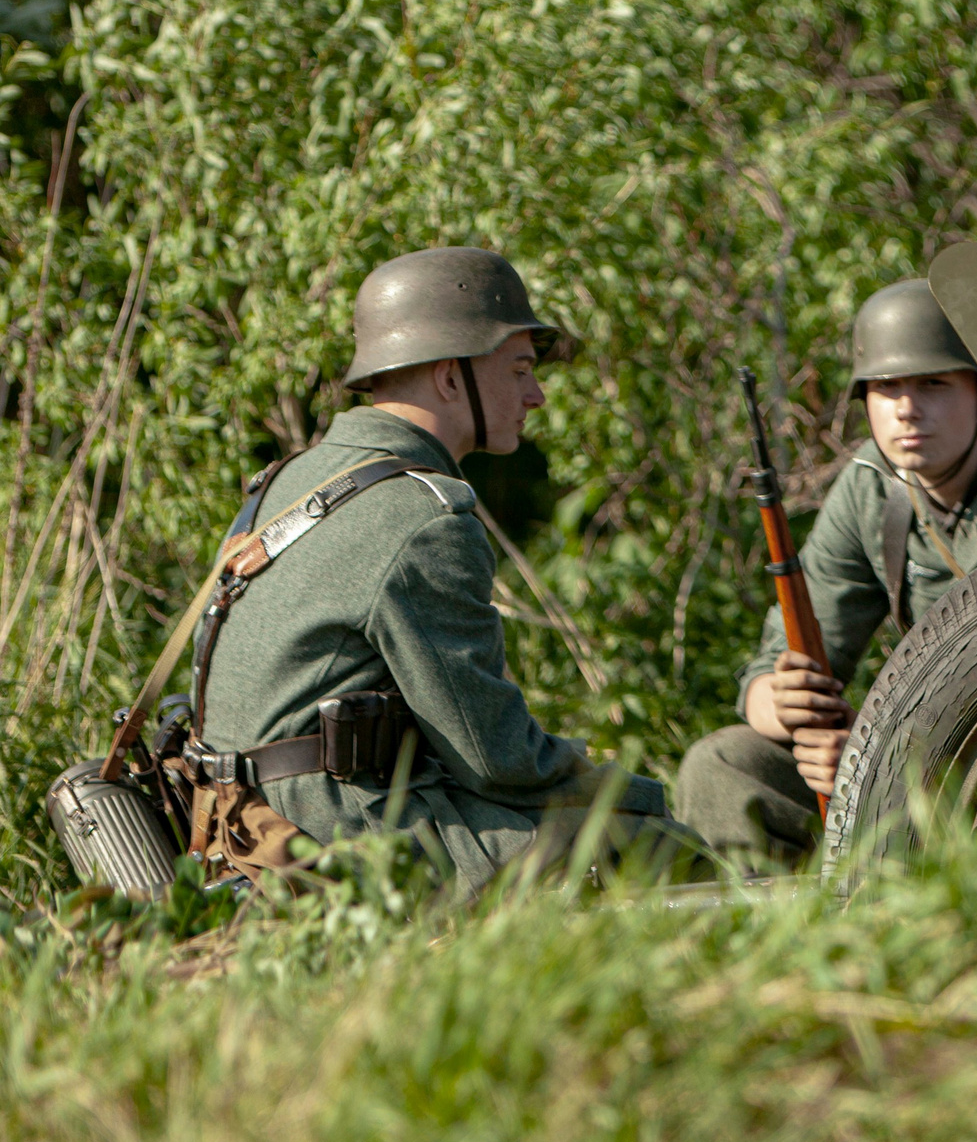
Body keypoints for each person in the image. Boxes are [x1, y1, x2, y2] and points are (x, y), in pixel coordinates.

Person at [191, 247, 699, 891]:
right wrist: (604, 774)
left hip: (238, 825)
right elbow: (493, 758)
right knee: (655, 840)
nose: (536, 394)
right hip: (342, 833)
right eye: (518, 369)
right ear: (450, 378)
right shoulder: (424, 515)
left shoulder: (286, 481)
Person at [673, 279, 977, 862]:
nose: (905, 408)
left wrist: (883, 753)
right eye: (885, 386)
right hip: (924, 758)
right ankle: (771, 944)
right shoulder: (872, 488)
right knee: (724, 765)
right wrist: (781, 701)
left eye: (933, 384)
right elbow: (788, 656)